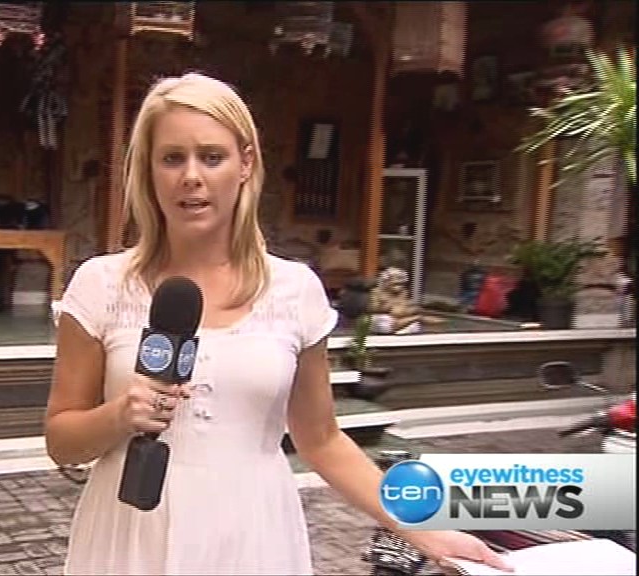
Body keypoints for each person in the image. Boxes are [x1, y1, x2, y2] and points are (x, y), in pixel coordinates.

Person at [44, 72, 513, 575]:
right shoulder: (101, 284)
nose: (191, 176)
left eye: (212, 157)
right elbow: (62, 440)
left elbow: (322, 439)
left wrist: (424, 530)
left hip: (252, 535)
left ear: (245, 163)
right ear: (148, 169)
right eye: (172, 158)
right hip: (129, 535)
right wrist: (119, 414)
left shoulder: (294, 290)